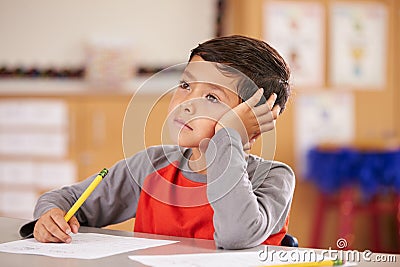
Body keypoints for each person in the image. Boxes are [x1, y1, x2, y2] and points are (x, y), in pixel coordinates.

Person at [23, 35, 295, 249]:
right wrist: (51, 216)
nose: (186, 103)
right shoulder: (151, 166)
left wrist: (229, 135)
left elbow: (236, 234)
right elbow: (64, 199)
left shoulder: (273, 178)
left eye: (212, 98)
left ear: (255, 122)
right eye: (186, 85)